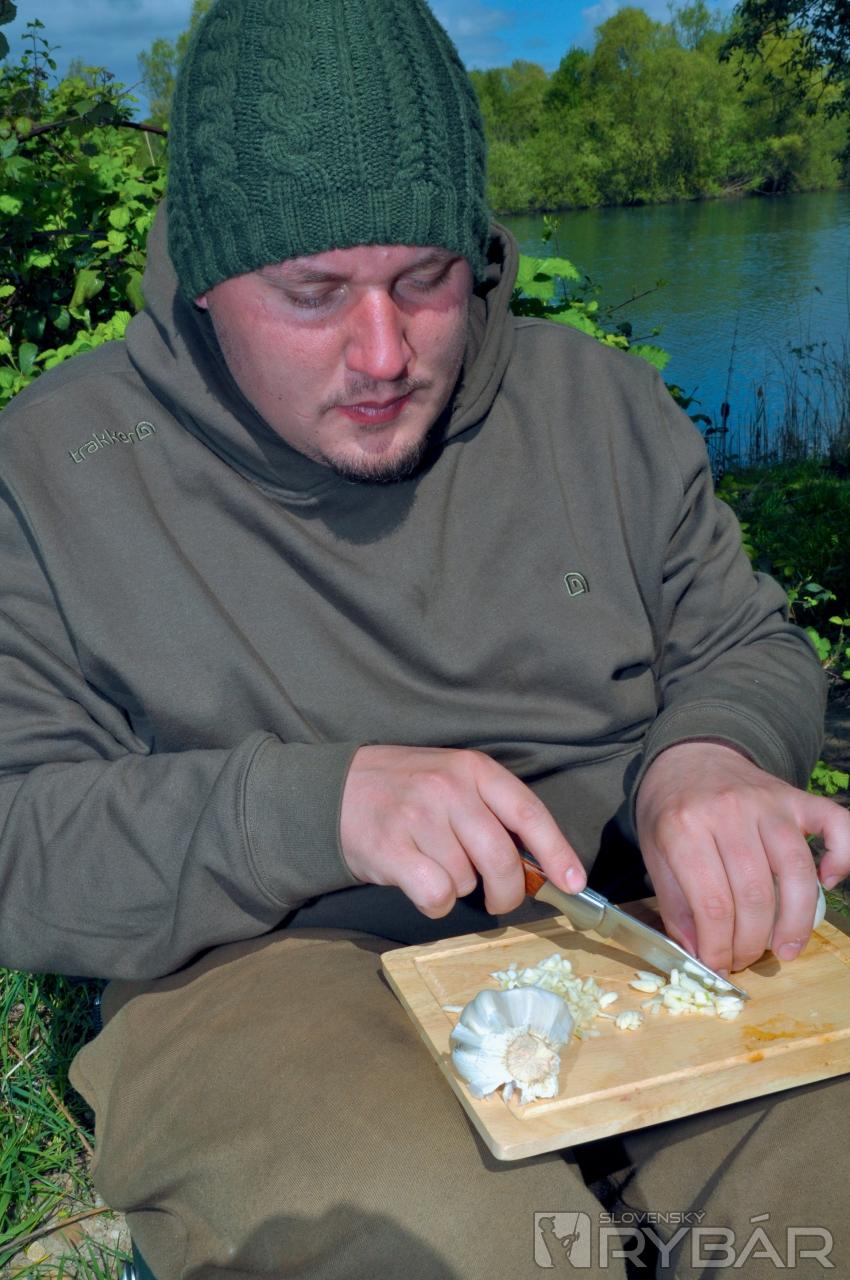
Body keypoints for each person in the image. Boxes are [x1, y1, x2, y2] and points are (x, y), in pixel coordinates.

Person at [1, 1, 848, 1276]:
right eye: (312, 293)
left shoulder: (600, 406)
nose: (384, 352)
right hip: (266, 964)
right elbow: (18, 839)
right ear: (209, 280)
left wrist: (710, 756)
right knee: (459, 1246)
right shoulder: (50, 470)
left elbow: (745, 642)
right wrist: (311, 807)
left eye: (425, 280)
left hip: (635, 924)